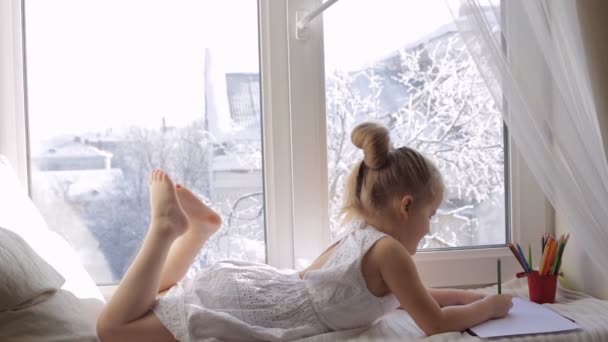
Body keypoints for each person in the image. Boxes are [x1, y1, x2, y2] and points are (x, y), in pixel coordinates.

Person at [97, 121, 513, 341]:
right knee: (112, 330)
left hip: (253, 289)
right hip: (254, 307)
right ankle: (166, 228)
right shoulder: (391, 254)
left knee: (159, 298)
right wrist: (490, 308)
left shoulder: (363, 235)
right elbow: (434, 323)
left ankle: (199, 232)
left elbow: (406, 300)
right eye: (431, 214)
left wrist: (466, 295)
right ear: (406, 207)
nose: (430, 226)